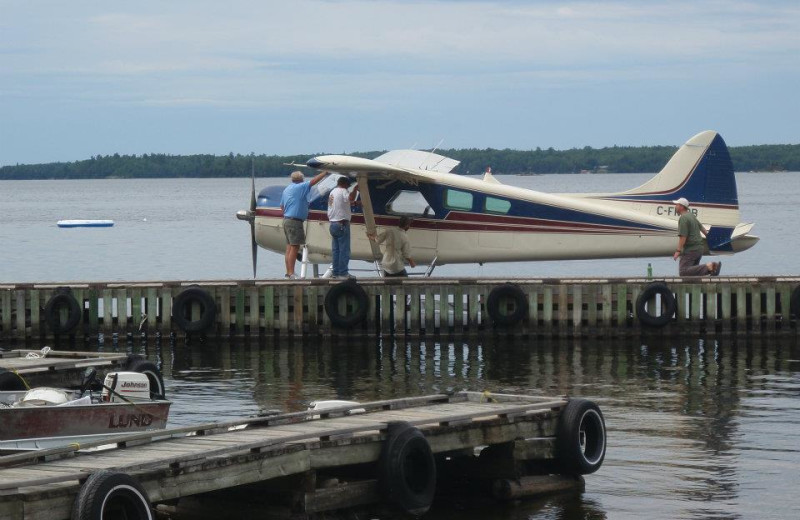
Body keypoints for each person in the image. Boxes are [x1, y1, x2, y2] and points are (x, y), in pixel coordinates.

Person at [280, 169, 328, 279]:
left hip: (287, 220)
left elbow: (282, 206)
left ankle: (288, 272)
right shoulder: (301, 187)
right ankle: (291, 273)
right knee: (295, 247)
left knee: (289, 247)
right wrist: (325, 173)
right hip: (295, 221)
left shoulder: (287, 189)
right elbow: (314, 181)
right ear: (301, 179)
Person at [672, 197, 720, 277]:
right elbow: (702, 228)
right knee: (692, 275)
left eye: (676, 205)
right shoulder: (691, 216)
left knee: (683, 272)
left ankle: (709, 266)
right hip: (699, 249)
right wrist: (711, 239)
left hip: (691, 250)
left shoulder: (683, 218)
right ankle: (710, 269)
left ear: (681, 206)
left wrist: (678, 251)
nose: (675, 207)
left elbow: (683, 237)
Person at [327, 176, 359, 279]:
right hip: (342, 224)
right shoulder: (343, 190)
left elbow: (342, 203)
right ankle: (343, 273)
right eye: (348, 186)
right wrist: (354, 190)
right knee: (344, 250)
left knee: (336, 251)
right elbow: (350, 198)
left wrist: (354, 203)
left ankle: (335, 273)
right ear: (345, 184)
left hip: (332, 224)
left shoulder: (333, 191)